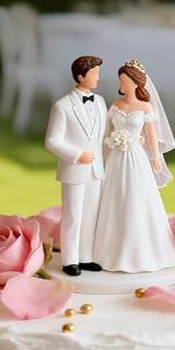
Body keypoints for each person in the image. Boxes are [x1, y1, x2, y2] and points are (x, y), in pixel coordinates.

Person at [90, 60, 175, 274]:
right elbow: (106, 131)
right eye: (120, 81)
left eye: (124, 81)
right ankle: (109, 250)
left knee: (136, 197)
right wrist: (109, 144)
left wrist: (155, 157)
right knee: (114, 198)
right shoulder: (116, 105)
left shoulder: (145, 108)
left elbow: (151, 135)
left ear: (135, 83)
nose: (121, 85)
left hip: (136, 158)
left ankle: (142, 250)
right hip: (116, 158)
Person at [43, 54, 107, 276]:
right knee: (73, 216)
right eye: (94, 73)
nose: (98, 77)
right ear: (81, 76)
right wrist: (78, 154)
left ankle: (86, 257)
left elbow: (103, 134)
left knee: (90, 216)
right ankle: (70, 260)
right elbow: (52, 141)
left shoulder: (100, 102)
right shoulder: (62, 106)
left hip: (96, 171)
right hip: (74, 170)